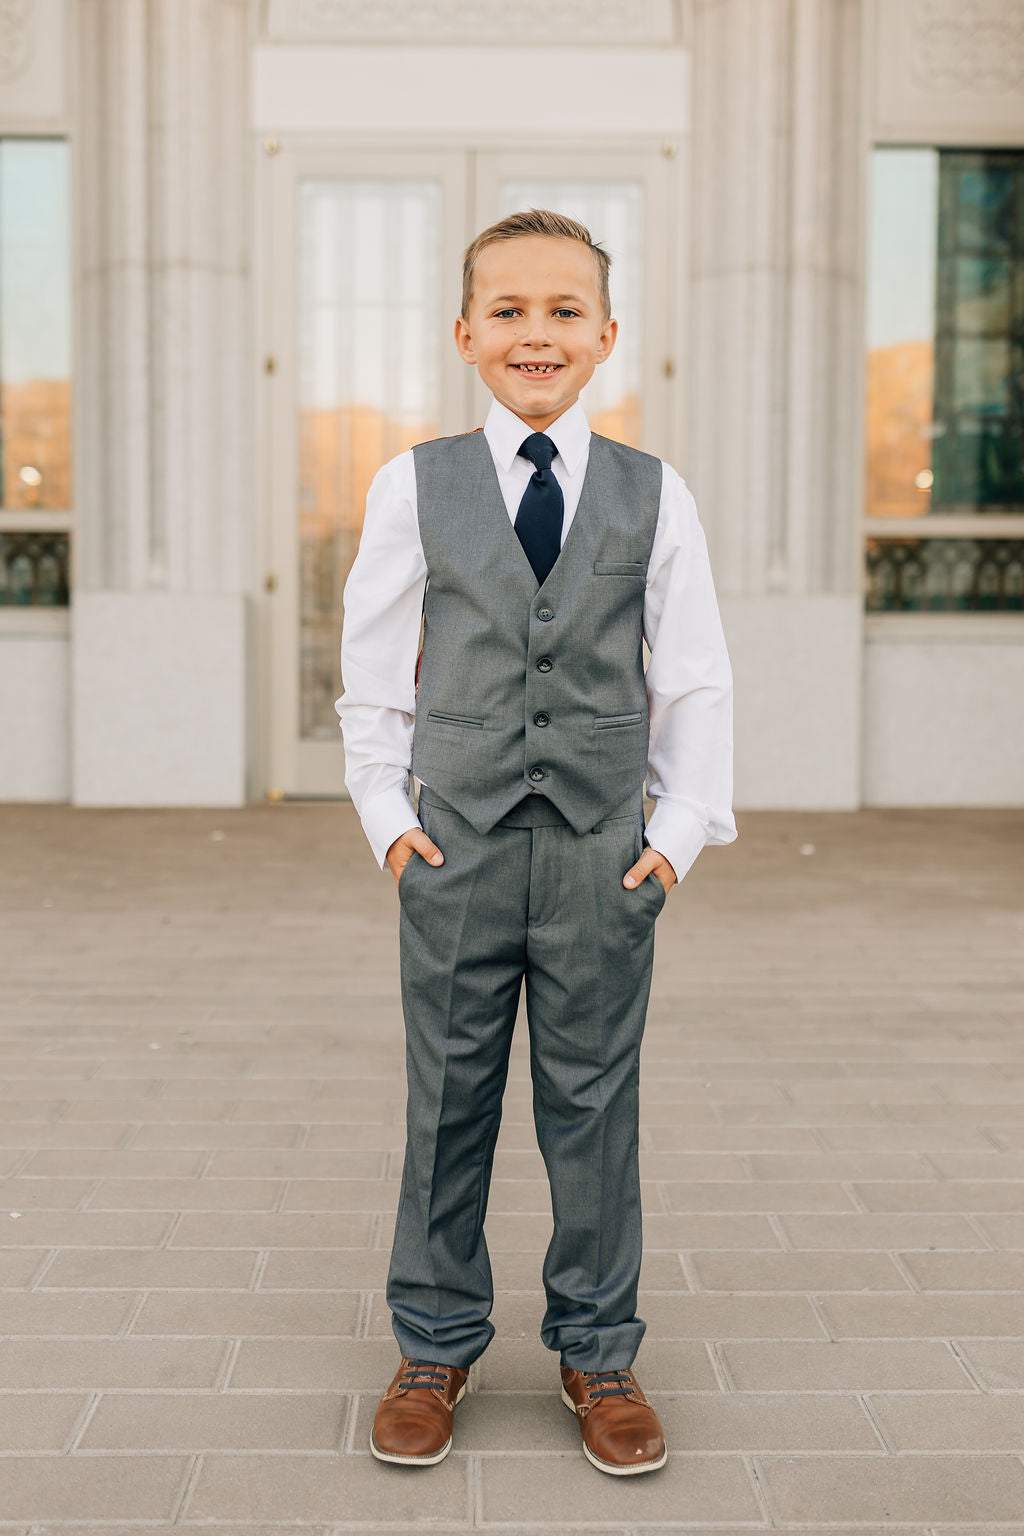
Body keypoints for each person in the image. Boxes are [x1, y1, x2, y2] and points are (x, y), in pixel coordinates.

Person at [335, 208, 736, 1476]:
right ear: (464, 334)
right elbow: (371, 672)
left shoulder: (653, 493)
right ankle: (434, 1344)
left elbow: (694, 675)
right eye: (507, 311)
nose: (535, 334)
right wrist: (391, 824)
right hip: (453, 848)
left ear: (606, 336)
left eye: (564, 311)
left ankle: (599, 1351)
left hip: (600, 856)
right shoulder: (413, 484)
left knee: (594, 1105)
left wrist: (675, 835)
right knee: (447, 1099)